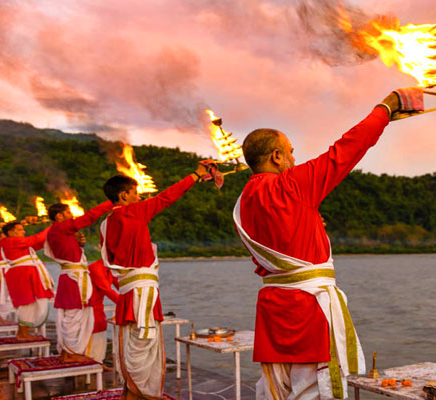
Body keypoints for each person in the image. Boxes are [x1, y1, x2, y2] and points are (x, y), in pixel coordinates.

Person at [234, 90, 413, 400]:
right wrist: (386, 108)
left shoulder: (243, 202)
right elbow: (348, 148)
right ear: (276, 156)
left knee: (277, 390)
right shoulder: (291, 184)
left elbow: (280, 245)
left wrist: (311, 222)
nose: (293, 158)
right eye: (289, 152)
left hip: (272, 309)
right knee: (316, 391)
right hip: (307, 309)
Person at [99, 161, 210, 399]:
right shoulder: (133, 212)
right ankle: (142, 394)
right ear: (124, 195)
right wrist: (195, 175)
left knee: (132, 342)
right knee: (144, 343)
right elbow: (166, 197)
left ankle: (130, 391)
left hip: (128, 291)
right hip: (142, 293)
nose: (139, 197)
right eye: (135, 192)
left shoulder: (105, 224)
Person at [45, 200, 114, 363]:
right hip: (73, 279)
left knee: (72, 315)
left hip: (71, 277)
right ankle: (70, 353)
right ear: (59, 216)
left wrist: (78, 244)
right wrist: (111, 203)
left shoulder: (58, 231)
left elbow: (69, 252)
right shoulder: (60, 227)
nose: (71, 216)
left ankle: (68, 351)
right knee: (73, 316)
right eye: (68, 213)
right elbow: (89, 217)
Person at [1, 219, 52, 339]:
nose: (23, 232)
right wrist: (53, 226)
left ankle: (22, 332)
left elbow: (39, 243)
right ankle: (23, 333)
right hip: (21, 274)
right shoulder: (11, 241)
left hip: (26, 273)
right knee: (26, 302)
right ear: (10, 232)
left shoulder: (18, 243)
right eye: (19, 230)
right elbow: (36, 239)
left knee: (30, 302)